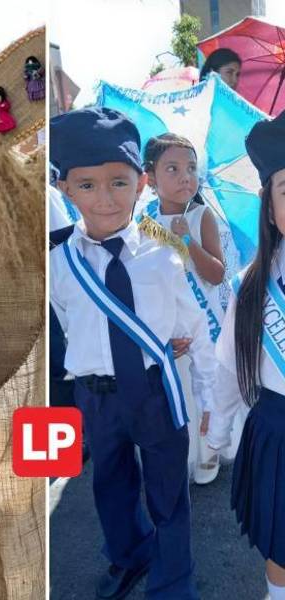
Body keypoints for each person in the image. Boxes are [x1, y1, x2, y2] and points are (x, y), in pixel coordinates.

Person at [50, 107, 215, 599]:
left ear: (141, 183)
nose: (105, 198)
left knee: (169, 493)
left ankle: (173, 580)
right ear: (64, 188)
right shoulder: (58, 260)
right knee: (111, 487)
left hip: (155, 389)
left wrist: (207, 393)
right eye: (87, 185)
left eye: (119, 183)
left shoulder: (163, 248)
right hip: (96, 394)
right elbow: (66, 322)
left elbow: (193, 323)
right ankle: (130, 556)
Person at [206, 110, 285, 600]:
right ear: (270, 207)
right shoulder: (252, 286)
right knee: (282, 544)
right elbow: (230, 369)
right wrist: (215, 434)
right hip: (279, 432)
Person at [140, 133, 227, 484]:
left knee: (209, 380)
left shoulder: (201, 216)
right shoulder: (143, 223)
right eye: (172, 168)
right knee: (179, 390)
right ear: (150, 177)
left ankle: (211, 450)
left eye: (190, 168)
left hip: (205, 319)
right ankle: (186, 452)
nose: (184, 176)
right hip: (168, 322)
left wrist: (186, 240)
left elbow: (216, 274)